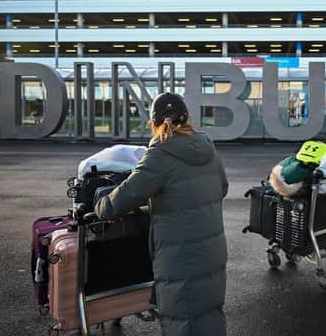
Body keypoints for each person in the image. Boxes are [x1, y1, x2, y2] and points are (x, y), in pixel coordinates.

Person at [95, 92, 229, 335]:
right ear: (187, 119)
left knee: (182, 320)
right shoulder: (207, 146)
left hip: (180, 258)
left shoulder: (160, 153)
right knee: (210, 315)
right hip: (212, 253)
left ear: (154, 123)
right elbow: (222, 188)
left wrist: (100, 206)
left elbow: (124, 197)